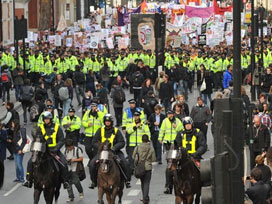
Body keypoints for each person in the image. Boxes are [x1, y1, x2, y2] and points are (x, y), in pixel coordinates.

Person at [23, 111, 70, 189]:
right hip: (42, 151)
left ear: (50, 119)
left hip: (54, 150)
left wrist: (56, 148)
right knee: (30, 162)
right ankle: (29, 180)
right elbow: (37, 140)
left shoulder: (57, 127)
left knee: (64, 163)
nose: (46, 120)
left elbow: (61, 140)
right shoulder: (40, 128)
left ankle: (65, 181)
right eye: (45, 119)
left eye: (47, 119)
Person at [89, 114, 131, 189]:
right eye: (106, 121)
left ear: (111, 122)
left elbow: (122, 142)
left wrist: (114, 148)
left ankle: (127, 180)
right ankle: (94, 181)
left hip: (114, 152)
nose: (107, 123)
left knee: (125, 163)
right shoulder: (100, 130)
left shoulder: (116, 131)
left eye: (109, 121)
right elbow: (94, 141)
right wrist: (101, 147)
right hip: (102, 153)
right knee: (92, 164)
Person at [132, 134, 156, 204]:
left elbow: (133, 156)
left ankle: (144, 197)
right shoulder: (151, 148)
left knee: (142, 183)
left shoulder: (137, 147)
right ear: (148, 140)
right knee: (147, 183)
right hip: (148, 167)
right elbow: (154, 159)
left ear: (142, 140)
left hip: (140, 167)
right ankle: (145, 198)